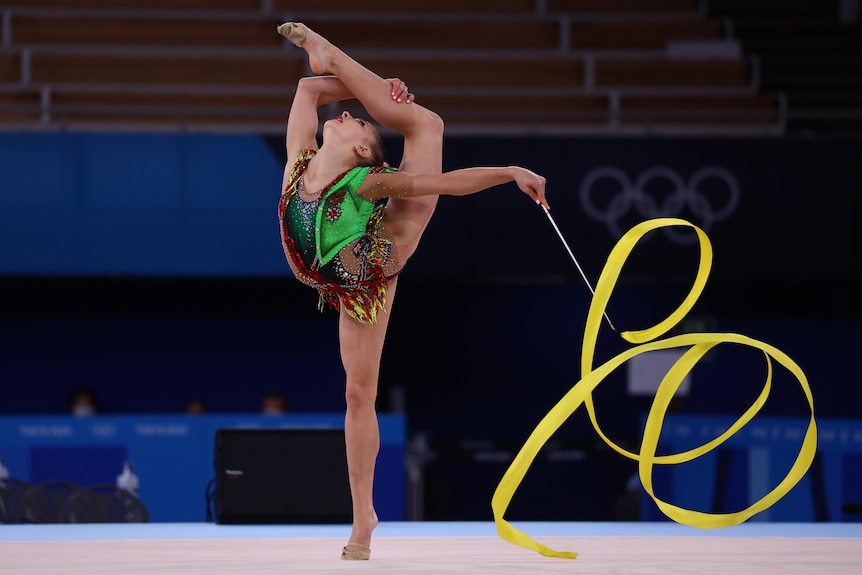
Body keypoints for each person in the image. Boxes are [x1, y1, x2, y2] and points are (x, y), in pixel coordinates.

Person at [277, 22, 548, 560]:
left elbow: (446, 184)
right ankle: (364, 517)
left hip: (386, 254)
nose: (350, 116)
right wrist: (376, 83)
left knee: (426, 126)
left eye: (357, 119)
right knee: (357, 395)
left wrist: (510, 171)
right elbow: (310, 88)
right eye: (357, 115)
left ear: (361, 150)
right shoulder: (297, 165)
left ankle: (339, 56)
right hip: (345, 288)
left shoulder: (369, 181)